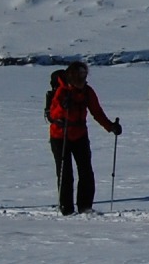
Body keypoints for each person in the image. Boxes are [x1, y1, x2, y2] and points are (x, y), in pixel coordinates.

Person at [48, 62, 122, 215]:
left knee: (86, 172)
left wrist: (110, 126)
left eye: (84, 75)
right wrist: (63, 106)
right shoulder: (62, 91)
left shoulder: (87, 92)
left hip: (80, 134)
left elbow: (97, 112)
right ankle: (66, 208)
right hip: (60, 136)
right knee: (65, 173)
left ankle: (85, 207)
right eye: (80, 75)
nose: (83, 78)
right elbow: (54, 114)